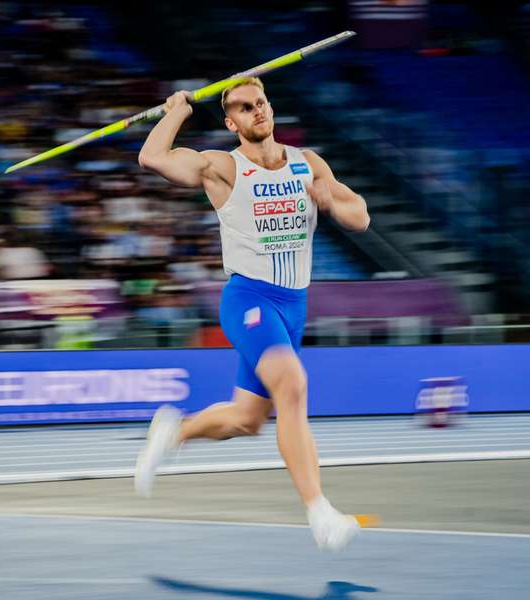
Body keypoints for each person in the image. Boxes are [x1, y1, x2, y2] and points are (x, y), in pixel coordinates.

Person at [134, 77, 370, 552]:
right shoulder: (223, 167)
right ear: (230, 122)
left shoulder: (308, 163)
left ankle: (174, 431)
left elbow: (360, 216)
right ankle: (320, 513)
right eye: (243, 107)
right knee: (293, 384)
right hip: (249, 300)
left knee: (248, 419)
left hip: (293, 306)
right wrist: (176, 112)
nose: (256, 110)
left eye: (260, 102)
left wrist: (332, 202)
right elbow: (153, 158)